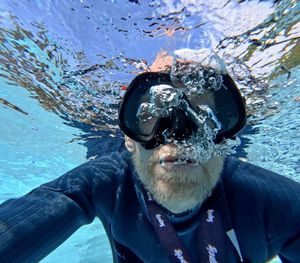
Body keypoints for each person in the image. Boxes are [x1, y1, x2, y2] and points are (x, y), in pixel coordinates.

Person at [0, 49, 299, 263]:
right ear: (129, 140)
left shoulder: (273, 201)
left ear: (226, 136)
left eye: (202, 119)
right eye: (152, 116)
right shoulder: (107, 181)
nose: (177, 136)